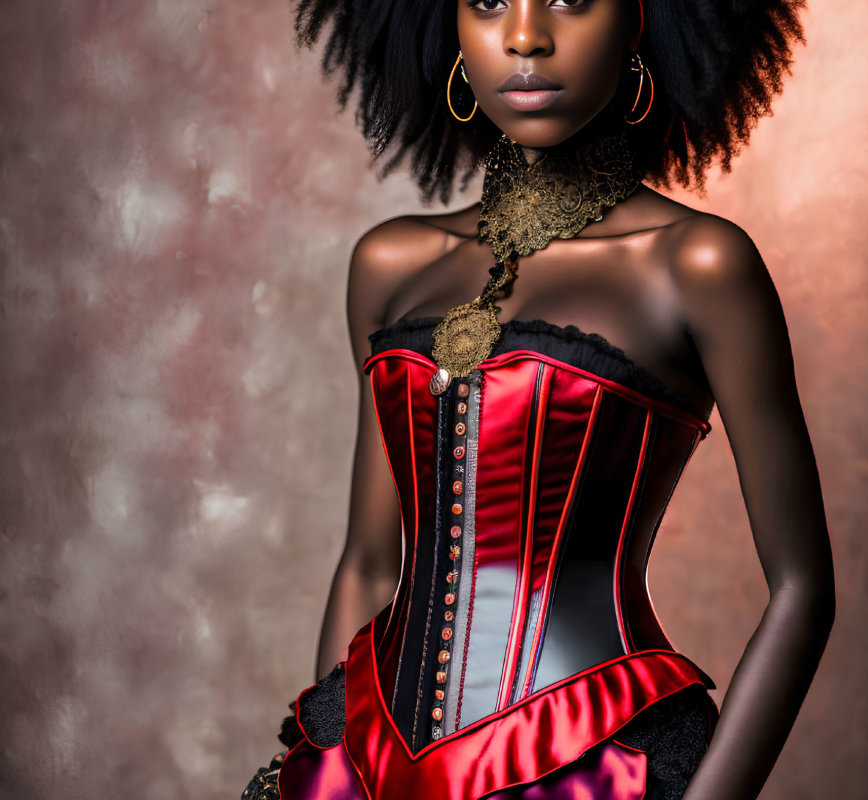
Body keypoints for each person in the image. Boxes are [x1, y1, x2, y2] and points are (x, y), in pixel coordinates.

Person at [242, 1, 835, 798]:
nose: (525, 35)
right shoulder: (389, 263)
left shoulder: (698, 265)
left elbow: (802, 587)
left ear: (638, 21)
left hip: (597, 761)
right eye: (487, 0)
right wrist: (338, 766)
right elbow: (371, 562)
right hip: (368, 761)